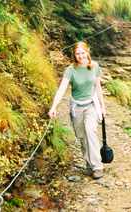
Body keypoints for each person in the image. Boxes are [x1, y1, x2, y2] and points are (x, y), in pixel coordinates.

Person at [48, 41, 106, 179]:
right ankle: (88, 164)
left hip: (91, 105)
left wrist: (103, 107)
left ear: (87, 52)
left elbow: (98, 88)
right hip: (77, 107)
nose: (80, 56)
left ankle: (97, 166)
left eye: (82, 52)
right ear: (74, 55)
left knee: (90, 131)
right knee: (82, 136)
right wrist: (54, 106)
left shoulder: (95, 66)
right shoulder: (70, 70)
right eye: (77, 53)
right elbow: (62, 88)